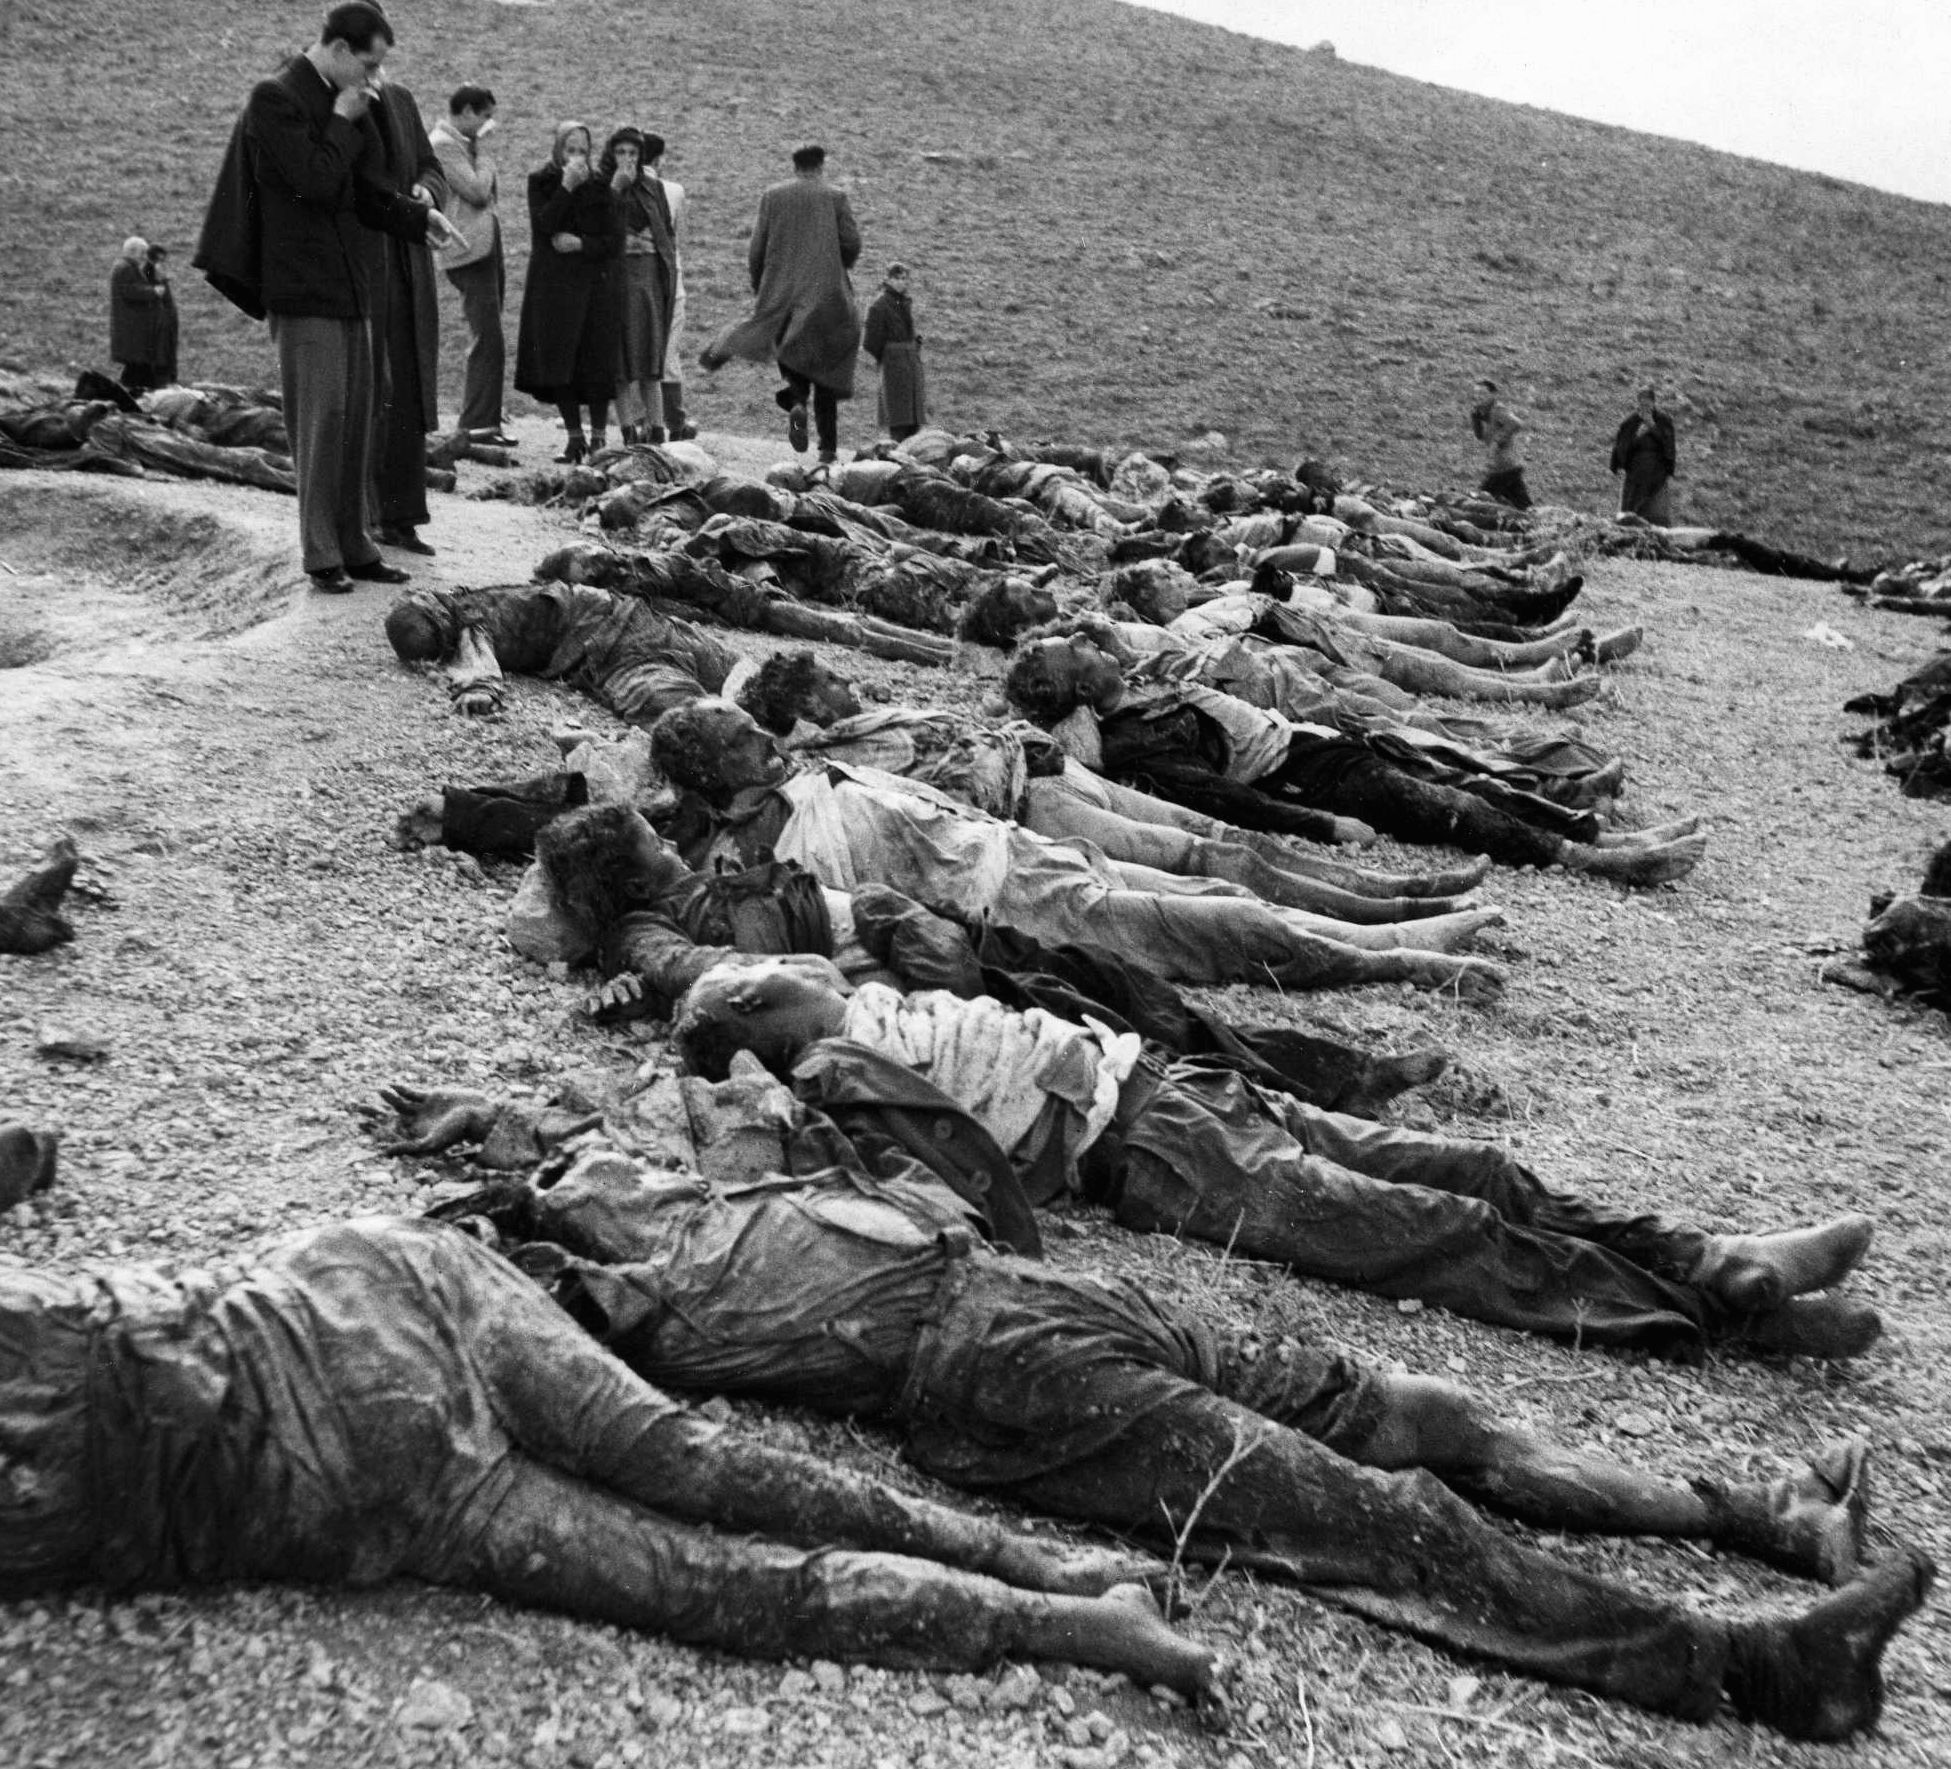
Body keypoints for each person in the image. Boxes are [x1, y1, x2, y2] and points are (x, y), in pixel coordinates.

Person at [379, 1119, 1930, 1744]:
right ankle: (1744, 1665)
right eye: (564, 1175)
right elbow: (523, 1348)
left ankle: (1750, 1514)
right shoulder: (606, 1294)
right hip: (989, 1377)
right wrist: (503, 1219)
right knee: (1361, 1514)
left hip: (1051, 1297)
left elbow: (741, 1098)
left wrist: (543, 1142)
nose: (598, 1160)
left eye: (586, 1154)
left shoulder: (697, 1176)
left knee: (1419, 1413)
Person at [0, 1214, 1217, 1699]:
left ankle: (1065, 1611)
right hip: (364, 1302)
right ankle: (1051, 1580)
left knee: (709, 1574)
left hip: (348, 1459)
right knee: (702, 1469)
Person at [672, 956, 1881, 1364]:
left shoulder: (864, 1001)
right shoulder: (839, 1071)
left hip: (1180, 1087)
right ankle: (1724, 1310)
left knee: (1476, 1170)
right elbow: (959, 1182)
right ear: (764, 1018)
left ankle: (1709, 1258)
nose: (796, 965)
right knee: (1437, 1234)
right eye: (766, 977)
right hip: (1158, 1152)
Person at [647, 699, 1510, 1000]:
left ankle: (1395, 917)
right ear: (713, 775)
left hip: (1022, 850)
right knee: (1228, 926)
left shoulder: (805, 777)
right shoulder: (749, 859)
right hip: (1019, 911)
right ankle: (1402, 958)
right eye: (742, 740)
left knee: (1225, 888)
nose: (766, 737)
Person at [1003, 631, 1709, 887]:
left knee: (1454, 775)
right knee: (1448, 807)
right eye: (1079, 652)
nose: (1090, 643)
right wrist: (1321, 826)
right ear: (1081, 690)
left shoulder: (1140, 683)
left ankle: (1593, 833)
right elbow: (1222, 799)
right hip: (1302, 777)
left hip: (1309, 742)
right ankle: (1586, 859)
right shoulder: (1134, 740)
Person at [192, 2, 461, 593]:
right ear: (339, 50)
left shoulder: (353, 98)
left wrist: (419, 220)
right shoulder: (276, 97)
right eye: (369, 64)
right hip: (302, 288)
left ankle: (357, 545)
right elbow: (314, 181)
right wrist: (342, 119)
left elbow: (366, 191)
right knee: (322, 422)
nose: (375, 78)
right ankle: (321, 554)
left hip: (353, 284)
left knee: (360, 415)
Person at [701, 144, 861, 464]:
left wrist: (761, 285)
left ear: (795, 166)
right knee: (827, 369)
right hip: (826, 293)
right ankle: (828, 448)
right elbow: (852, 243)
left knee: (788, 349)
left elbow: (757, 247)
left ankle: (797, 399)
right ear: (821, 166)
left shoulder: (773, 196)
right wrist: (836, 262)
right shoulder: (835, 197)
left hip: (782, 292)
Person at [364, 71, 447, 557]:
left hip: (409, 265)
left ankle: (403, 518)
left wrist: (428, 191)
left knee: (408, 393)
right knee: (375, 391)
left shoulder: (400, 99)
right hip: (369, 263)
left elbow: (430, 165)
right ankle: (368, 516)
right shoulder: (339, 103)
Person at [514, 121, 623, 463]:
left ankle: (599, 437)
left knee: (596, 359)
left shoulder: (600, 186)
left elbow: (613, 241)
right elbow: (544, 226)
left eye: (582, 151)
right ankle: (574, 437)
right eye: (570, 150)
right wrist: (566, 188)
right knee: (560, 359)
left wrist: (581, 244)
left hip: (593, 285)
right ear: (559, 150)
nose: (576, 158)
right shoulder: (542, 180)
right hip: (554, 287)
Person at [430, 84, 515, 448]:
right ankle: (478, 424)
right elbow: (478, 192)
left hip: (483, 248)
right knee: (487, 338)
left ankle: (486, 421)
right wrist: (487, 154)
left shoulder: (462, 145)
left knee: (491, 337)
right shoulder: (443, 145)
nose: (487, 124)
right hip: (469, 251)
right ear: (466, 112)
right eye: (484, 116)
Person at [603, 128, 680, 446]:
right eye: (621, 152)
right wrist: (615, 189)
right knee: (620, 361)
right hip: (618, 278)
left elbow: (666, 233)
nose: (627, 159)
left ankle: (657, 430)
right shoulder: (602, 185)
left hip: (648, 276)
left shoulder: (652, 187)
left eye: (632, 153)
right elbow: (598, 225)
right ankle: (628, 432)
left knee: (651, 358)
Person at [646, 134, 696, 440]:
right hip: (670, 279)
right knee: (669, 354)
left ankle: (647, 421)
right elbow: (682, 239)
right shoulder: (674, 191)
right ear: (658, 159)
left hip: (639, 280)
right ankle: (674, 421)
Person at [863, 261, 926, 441]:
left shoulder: (904, 303)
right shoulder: (879, 305)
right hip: (893, 368)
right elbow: (870, 342)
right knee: (898, 418)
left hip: (910, 365)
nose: (901, 282)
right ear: (888, 279)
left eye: (904, 278)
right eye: (897, 278)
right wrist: (889, 356)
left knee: (913, 419)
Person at [109, 237, 171, 392]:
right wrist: (153, 292)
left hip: (133, 324)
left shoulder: (127, 267)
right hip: (132, 325)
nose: (145, 256)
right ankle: (138, 391)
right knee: (137, 363)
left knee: (138, 364)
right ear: (131, 252)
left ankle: (138, 390)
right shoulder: (125, 268)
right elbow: (130, 291)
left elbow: (136, 285)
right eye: (142, 252)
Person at [1611, 384, 1679, 526]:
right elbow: (1622, 448)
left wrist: (1653, 427)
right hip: (1635, 467)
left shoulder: (1663, 420)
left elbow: (1668, 445)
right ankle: (1629, 518)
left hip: (1657, 466)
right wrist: (1637, 436)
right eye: (1642, 405)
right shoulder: (1630, 422)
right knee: (1635, 484)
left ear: (1653, 403)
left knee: (1651, 475)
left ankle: (1655, 521)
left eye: (1648, 405)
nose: (1645, 408)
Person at [1470, 378, 1532, 510]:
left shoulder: (1498, 410)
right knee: (1523, 505)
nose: (1478, 397)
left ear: (1493, 395)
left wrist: (1497, 442)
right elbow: (1480, 436)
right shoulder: (1485, 414)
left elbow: (1516, 423)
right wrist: (1475, 419)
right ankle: (1539, 519)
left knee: (1481, 499)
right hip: (1508, 467)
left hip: (1504, 468)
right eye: (1476, 394)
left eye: (1482, 394)